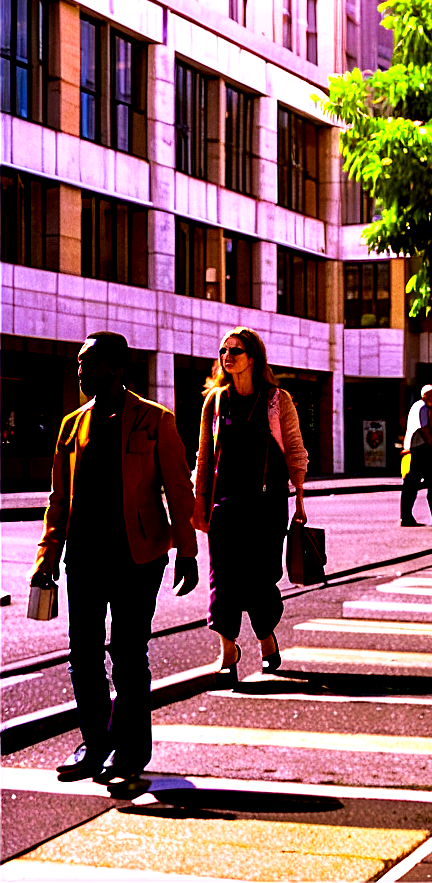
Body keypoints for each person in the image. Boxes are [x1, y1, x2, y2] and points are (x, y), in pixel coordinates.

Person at [30, 332, 199, 785]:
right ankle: (94, 743)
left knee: (127, 654)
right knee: (82, 655)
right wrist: (47, 557)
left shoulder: (155, 420)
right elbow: (57, 501)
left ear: (117, 369)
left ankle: (129, 749)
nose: (81, 371)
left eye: (90, 363)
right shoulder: (70, 426)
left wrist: (187, 551)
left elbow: (179, 493)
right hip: (83, 557)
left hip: (137, 556)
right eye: (80, 363)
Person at [192, 327, 308, 684]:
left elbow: (294, 448)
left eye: (236, 350)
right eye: (224, 350)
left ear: (253, 357)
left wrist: (300, 497)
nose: (228, 356)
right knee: (222, 578)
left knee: (260, 578)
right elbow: (204, 454)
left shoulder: (277, 400)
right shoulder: (215, 400)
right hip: (224, 505)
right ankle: (228, 647)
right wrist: (198, 501)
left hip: (266, 506)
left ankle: (265, 637)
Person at [400, 384, 432, 527]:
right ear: (427, 395)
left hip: (418, 448)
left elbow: (431, 430)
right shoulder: (422, 407)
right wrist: (431, 447)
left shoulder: (425, 408)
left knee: (413, 483)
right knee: (430, 483)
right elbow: (424, 429)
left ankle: (407, 517)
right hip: (421, 449)